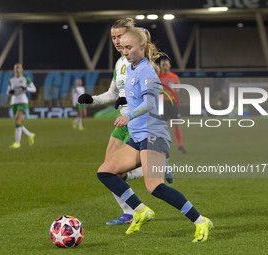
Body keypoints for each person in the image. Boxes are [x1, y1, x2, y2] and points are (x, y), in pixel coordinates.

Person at [97, 27, 213, 242]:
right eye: (122, 48)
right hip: (138, 136)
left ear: (142, 46)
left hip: (153, 133)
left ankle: (200, 221)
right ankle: (140, 210)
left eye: (129, 47)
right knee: (105, 172)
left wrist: (128, 116)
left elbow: (150, 102)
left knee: (155, 186)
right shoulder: (130, 68)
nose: (125, 51)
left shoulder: (147, 70)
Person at [78, 18, 155, 225]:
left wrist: (128, 100)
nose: (117, 41)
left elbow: (148, 95)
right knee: (108, 169)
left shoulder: (140, 62)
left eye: (120, 36)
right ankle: (129, 211)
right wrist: (92, 100)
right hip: (122, 122)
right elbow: (113, 93)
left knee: (114, 170)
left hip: (137, 121)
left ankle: (134, 209)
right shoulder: (121, 63)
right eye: (113, 37)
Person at [159, 57, 186, 154]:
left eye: (166, 64)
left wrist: (173, 90)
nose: (164, 66)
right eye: (163, 65)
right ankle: (164, 146)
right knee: (163, 125)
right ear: (160, 66)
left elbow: (178, 89)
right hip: (162, 103)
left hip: (172, 102)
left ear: (169, 65)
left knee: (176, 123)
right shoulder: (157, 76)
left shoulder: (174, 76)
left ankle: (180, 145)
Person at [7, 63, 36, 149]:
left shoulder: (25, 79)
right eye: (16, 68)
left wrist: (26, 88)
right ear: (14, 70)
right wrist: (12, 92)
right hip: (14, 102)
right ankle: (30, 134)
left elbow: (34, 89)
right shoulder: (11, 80)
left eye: (19, 68)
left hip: (23, 101)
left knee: (17, 121)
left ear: (22, 69)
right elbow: (8, 91)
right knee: (16, 123)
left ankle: (17, 143)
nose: (17, 69)